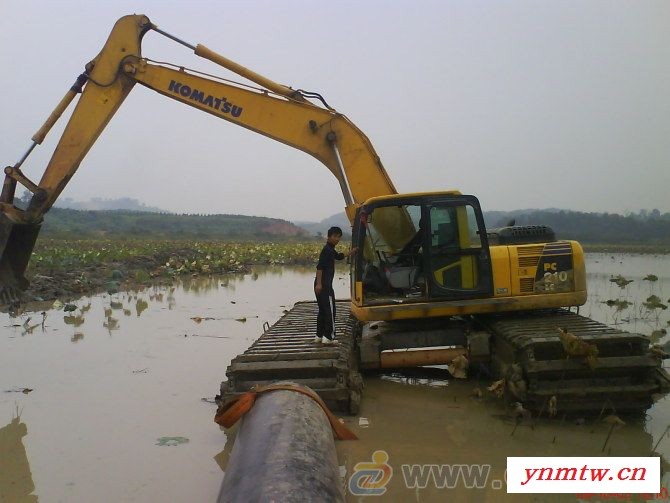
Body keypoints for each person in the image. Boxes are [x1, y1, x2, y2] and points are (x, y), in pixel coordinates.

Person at [314, 226, 356, 345]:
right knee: (330, 311)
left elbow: (338, 257)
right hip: (323, 285)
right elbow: (319, 268)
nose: (337, 239)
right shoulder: (327, 250)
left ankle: (319, 335)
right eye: (335, 236)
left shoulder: (330, 249)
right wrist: (319, 284)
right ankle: (329, 337)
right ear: (329, 236)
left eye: (339, 237)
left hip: (322, 284)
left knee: (322, 310)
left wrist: (351, 252)